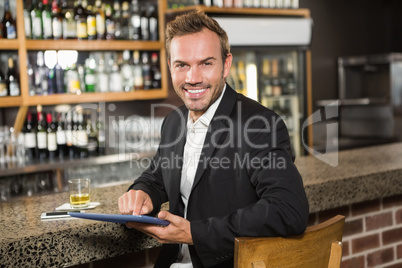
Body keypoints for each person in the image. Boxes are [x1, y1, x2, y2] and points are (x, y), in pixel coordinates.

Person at [118, 10, 309, 268]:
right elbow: (157, 175)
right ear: (170, 67)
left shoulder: (259, 125)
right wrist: (141, 193)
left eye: (206, 63)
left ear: (226, 65)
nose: (193, 78)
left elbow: (288, 210)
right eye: (182, 64)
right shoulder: (174, 122)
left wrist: (195, 233)